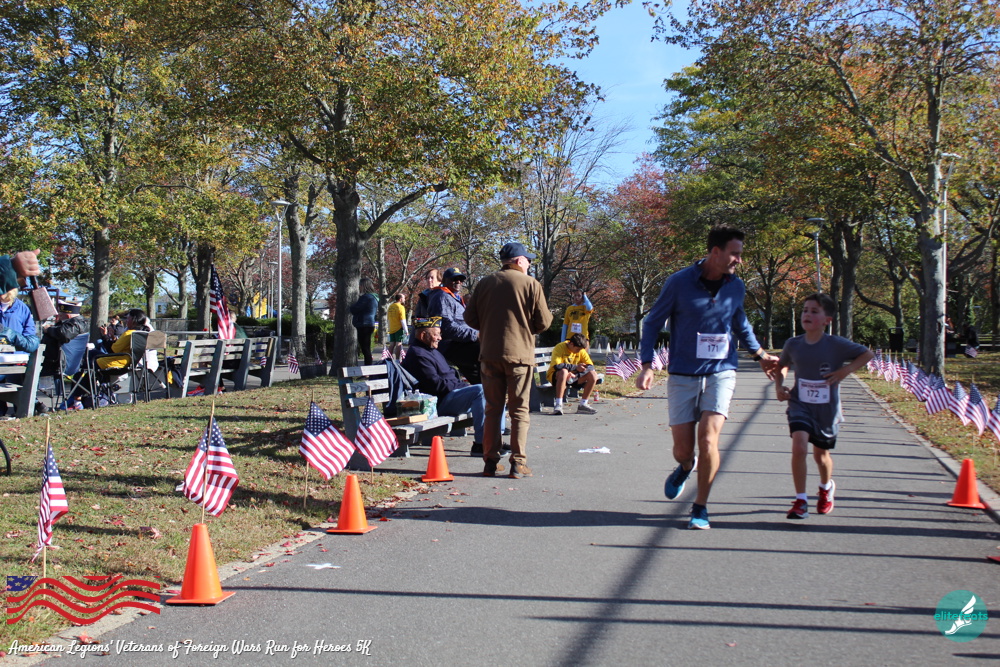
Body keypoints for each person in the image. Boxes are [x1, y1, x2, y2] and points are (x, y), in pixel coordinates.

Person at [635, 226, 778, 530]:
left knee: (709, 438)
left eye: (740, 254)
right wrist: (647, 364)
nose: (739, 260)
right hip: (683, 374)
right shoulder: (679, 283)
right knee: (682, 450)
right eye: (734, 254)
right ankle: (686, 466)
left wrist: (760, 355)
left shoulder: (736, 286)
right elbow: (652, 322)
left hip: (721, 372)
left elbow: (740, 323)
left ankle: (700, 507)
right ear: (715, 252)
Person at [775, 293, 874, 520]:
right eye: (805, 310)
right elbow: (782, 365)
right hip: (800, 404)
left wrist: (844, 371)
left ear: (826, 320)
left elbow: (867, 354)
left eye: (814, 311)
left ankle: (826, 487)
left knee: (821, 456)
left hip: (826, 409)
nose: (807, 315)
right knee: (799, 447)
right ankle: (801, 500)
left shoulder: (836, 345)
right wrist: (779, 386)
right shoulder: (793, 344)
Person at [465, 242, 552, 478]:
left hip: (489, 354)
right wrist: (525, 326)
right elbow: (544, 322)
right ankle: (518, 463)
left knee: (493, 409)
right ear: (519, 260)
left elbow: (470, 318)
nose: (529, 264)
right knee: (519, 411)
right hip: (519, 355)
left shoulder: (485, 283)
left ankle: (490, 462)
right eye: (528, 260)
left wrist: (489, 325)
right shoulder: (531, 284)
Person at [401, 316, 489, 456]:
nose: (440, 338)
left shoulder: (432, 351)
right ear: (423, 335)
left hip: (448, 396)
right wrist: (461, 386)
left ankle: (495, 440)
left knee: (492, 388)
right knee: (480, 390)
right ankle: (482, 444)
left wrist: (461, 385)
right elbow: (436, 385)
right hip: (437, 403)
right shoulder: (418, 354)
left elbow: (449, 377)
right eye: (436, 334)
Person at [425, 267, 481, 384]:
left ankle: (485, 388)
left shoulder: (453, 297)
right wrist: (476, 335)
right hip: (450, 345)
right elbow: (447, 328)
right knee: (488, 351)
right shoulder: (442, 296)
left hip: (462, 342)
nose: (458, 282)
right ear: (444, 280)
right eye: (454, 279)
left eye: (461, 279)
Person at [547, 333, 599, 415]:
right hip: (558, 377)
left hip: (574, 377)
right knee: (564, 372)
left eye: (580, 350)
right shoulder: (560, 347)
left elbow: (590, 366)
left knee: (593, 374)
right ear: (571, 344)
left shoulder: (581, 350)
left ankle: (583, 404)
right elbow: (557, 366)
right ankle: (558, 405)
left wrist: (576, 375)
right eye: (577, 349)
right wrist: (575, 367)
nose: (579, 351)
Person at [96, 308, 158, 373]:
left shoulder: (130, 333)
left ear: (133, 320)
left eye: (128, 318)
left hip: (121, 363)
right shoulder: (144, 333)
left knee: (93, 356)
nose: (126, 320)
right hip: (148, 363)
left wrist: (105, 336)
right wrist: (112, 337)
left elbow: (112, 350)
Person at [350, 278, 379, 365]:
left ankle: (368, 368)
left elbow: (355, 309)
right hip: (369, 323)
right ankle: (368, 367)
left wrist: (351, 306)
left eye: (360, 285)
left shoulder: (366, 297)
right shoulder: (374, 297)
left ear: (363, 286)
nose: (359, 287)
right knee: (366, 348)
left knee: (365, 348)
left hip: (364, 324)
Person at [386, 293, 408, 361]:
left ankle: (388, 359)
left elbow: (388, 318)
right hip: (399, 328)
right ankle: (397, 360)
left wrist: (389, 328)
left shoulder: (390, 306)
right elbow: (403, 320)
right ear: (400, 299)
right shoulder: (401, 307)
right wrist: (406, 330)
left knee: (391, 344)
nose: (404, 299)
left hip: (391, 328)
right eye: (404, 298)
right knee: (399, 344)